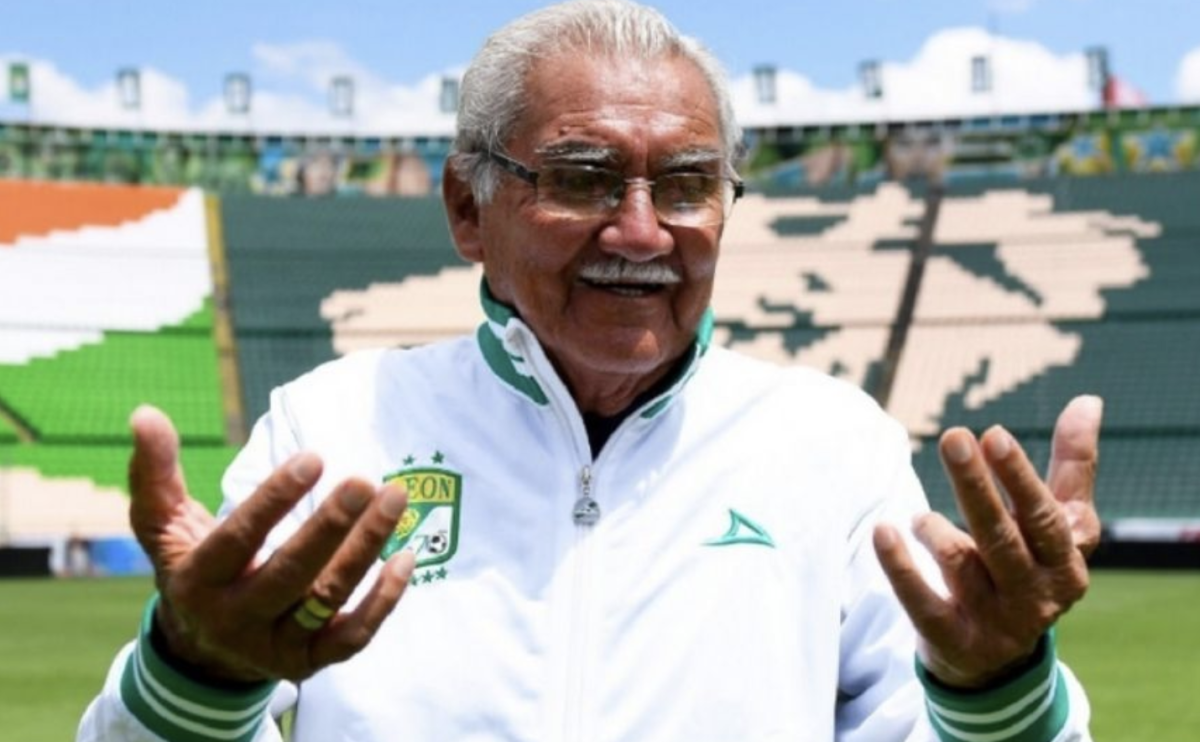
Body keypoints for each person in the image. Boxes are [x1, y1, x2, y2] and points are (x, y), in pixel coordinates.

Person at [78, 1, 1103, 740]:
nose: (642, 231)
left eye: (689, 184)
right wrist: (199, 676)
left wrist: (996, 691)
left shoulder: (834, 444)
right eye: (582, 177)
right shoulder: (332, 426)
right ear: (469, 209)